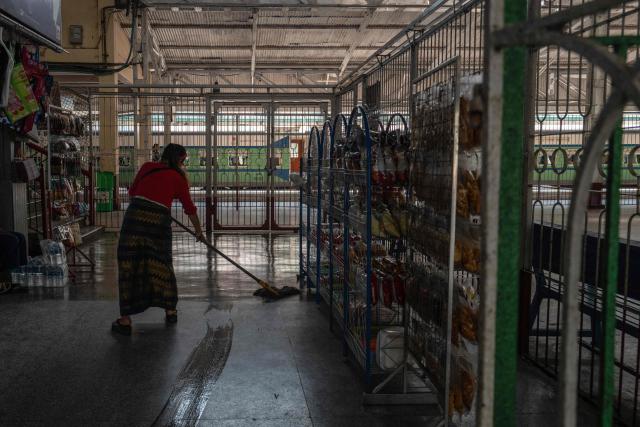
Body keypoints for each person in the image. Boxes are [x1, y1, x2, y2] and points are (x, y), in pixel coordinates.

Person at [112, 143, 205, 336]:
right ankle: (170, 310)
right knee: (162, 262)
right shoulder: (178, 177)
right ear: (179, 159)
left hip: (134, 219)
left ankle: (125, 320)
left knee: (129, 263)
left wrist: (149, 202)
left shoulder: (147, 167)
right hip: (158, 223)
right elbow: (190, 208)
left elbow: (132, 193)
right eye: (184, 160)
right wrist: (199, 231)